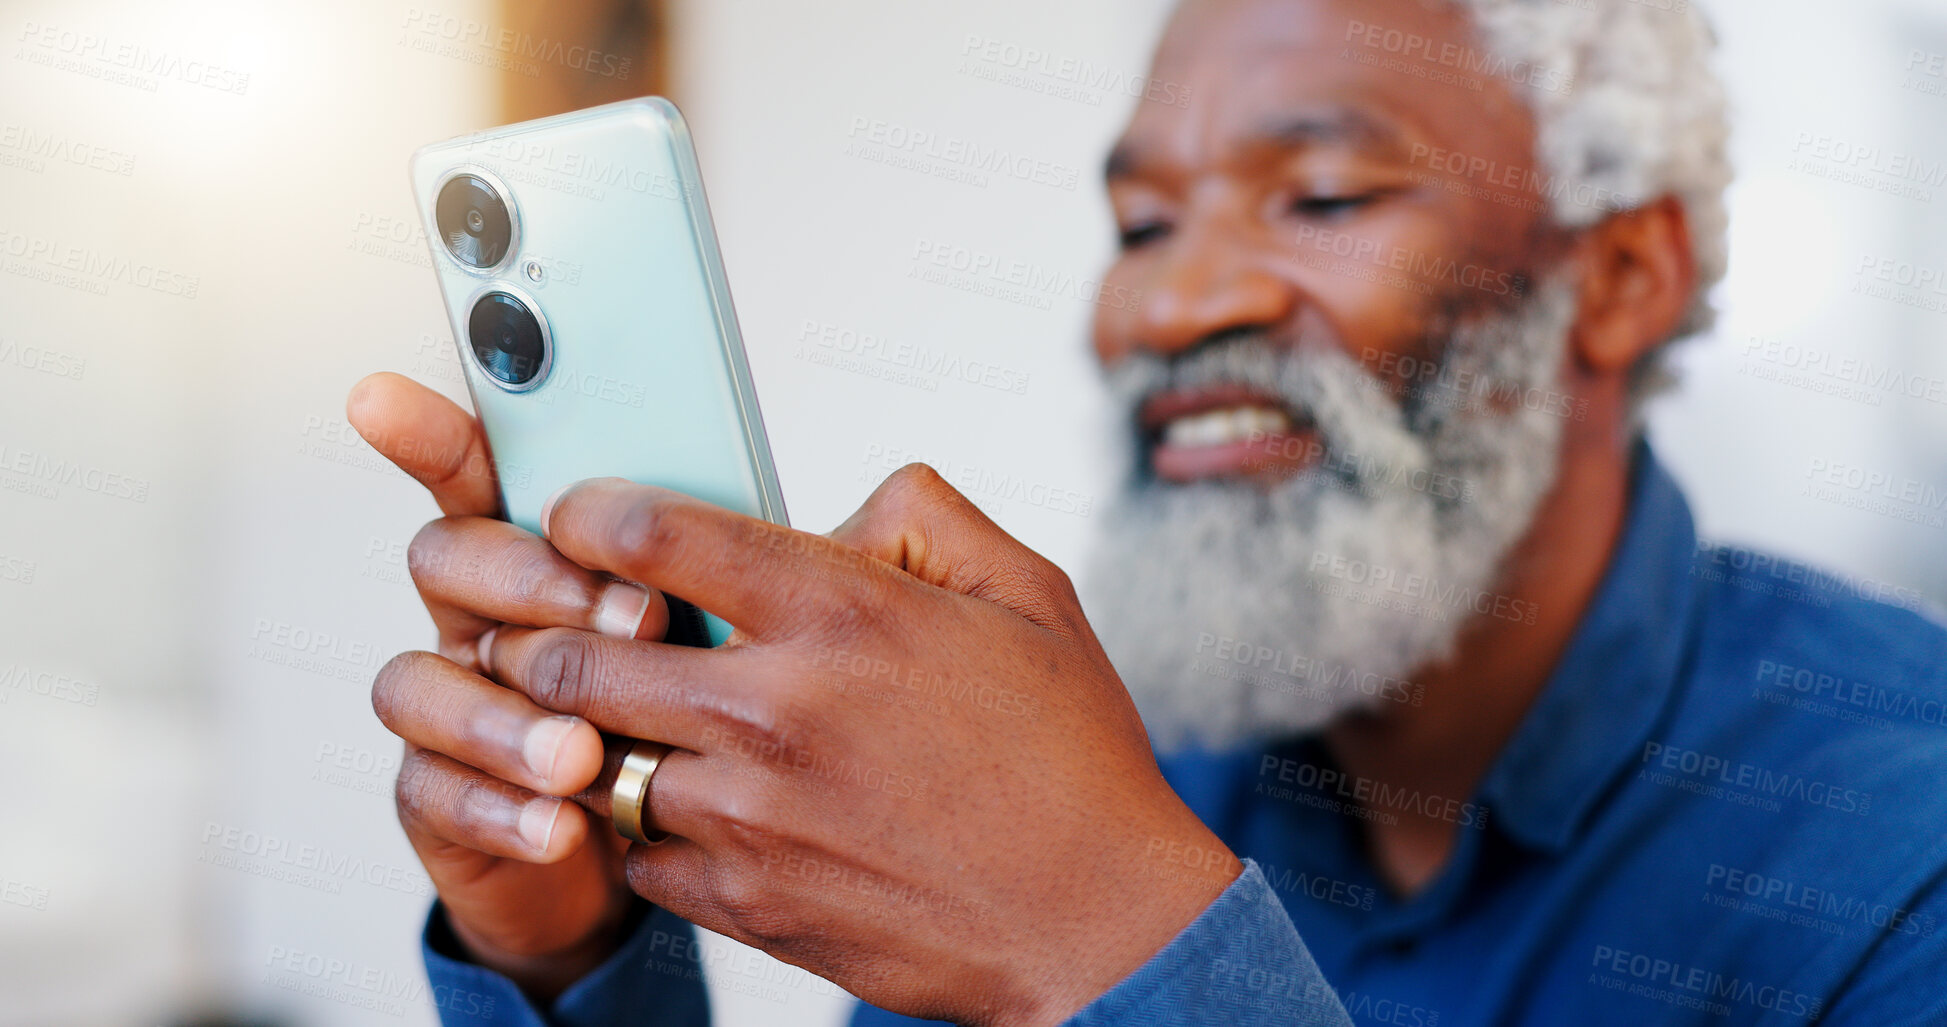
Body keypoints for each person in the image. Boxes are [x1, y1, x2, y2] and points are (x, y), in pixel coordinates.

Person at [346, 0, 1947, 1023]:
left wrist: (1117, 942)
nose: (1169, 303)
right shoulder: (1078, 775)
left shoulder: (1897, 856)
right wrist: (561, 962)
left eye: (1319, 197)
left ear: (1619, 276)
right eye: (1141, 220)